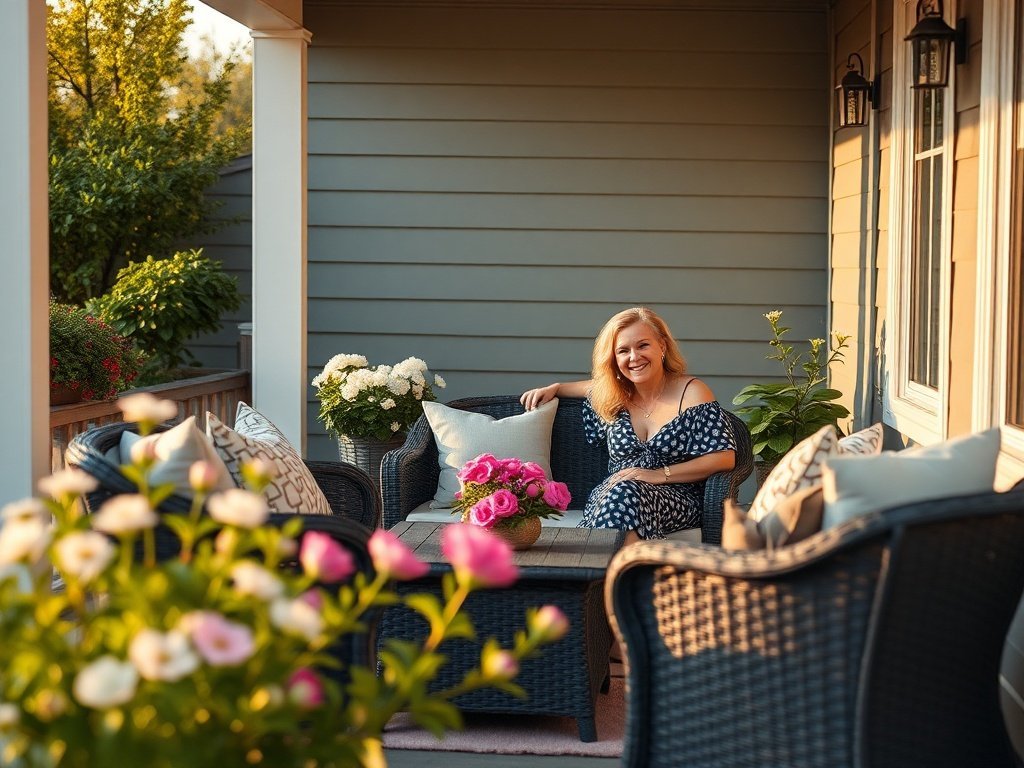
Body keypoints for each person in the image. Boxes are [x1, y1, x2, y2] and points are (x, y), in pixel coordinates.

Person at [521, 307, 736, 543]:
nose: (634, 357)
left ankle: (596, 565)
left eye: (643, 345)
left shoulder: (692, 392)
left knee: (626, 496)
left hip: (676, 497)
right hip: (613, 494)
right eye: (623, 351)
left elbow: (723, 458)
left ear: (662, 346)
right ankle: (621, 565)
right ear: (614, 359)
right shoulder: (613, 395)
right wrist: (557, 387)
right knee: (622, 497)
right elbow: (592, 386)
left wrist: (659, 474)